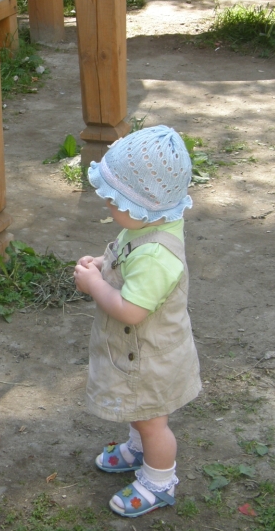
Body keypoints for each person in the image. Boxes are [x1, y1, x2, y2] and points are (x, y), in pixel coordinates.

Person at [73, 125, 201, 518]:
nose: (107, 205)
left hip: (150, 359)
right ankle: (138, 448)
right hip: (136, 353)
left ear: (141, 206)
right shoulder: (148, 224)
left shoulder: (157, 256)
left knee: (152, 421)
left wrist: (95, 285)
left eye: (114, 201)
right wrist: (103, 263)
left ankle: (159, 482)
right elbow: (127, 256)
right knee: (140, 410)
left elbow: (131, 310)